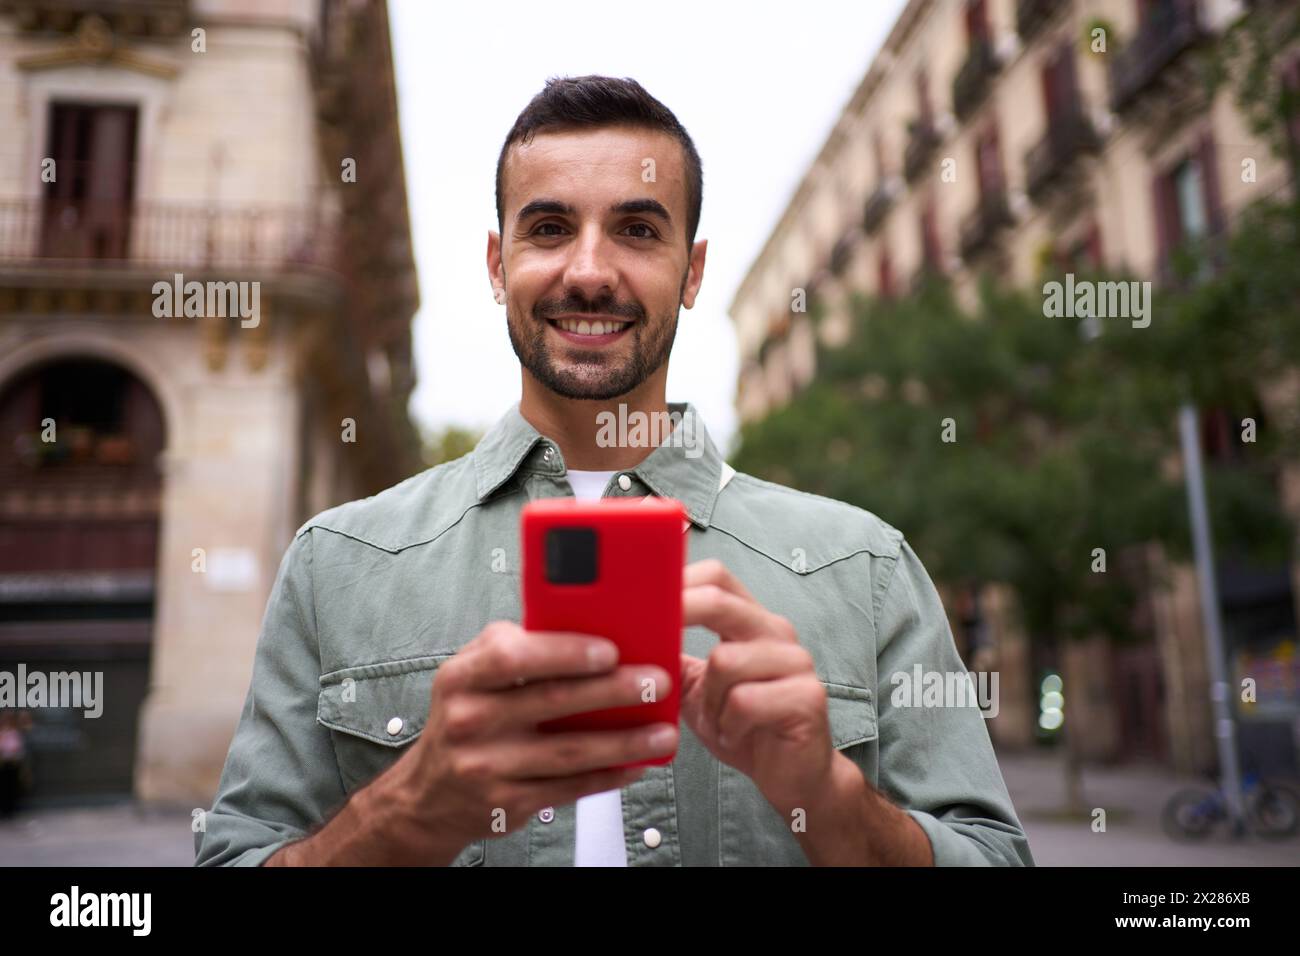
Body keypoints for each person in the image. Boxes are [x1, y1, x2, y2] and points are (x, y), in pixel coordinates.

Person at [195, 75, 1033, 867]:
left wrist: (829, 794)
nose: (589, 273)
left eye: (637, 230)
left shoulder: (867, 568)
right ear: (497, 265)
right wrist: (406, 810)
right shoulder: (336, 563)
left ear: (692, 272)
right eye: (550, 229)